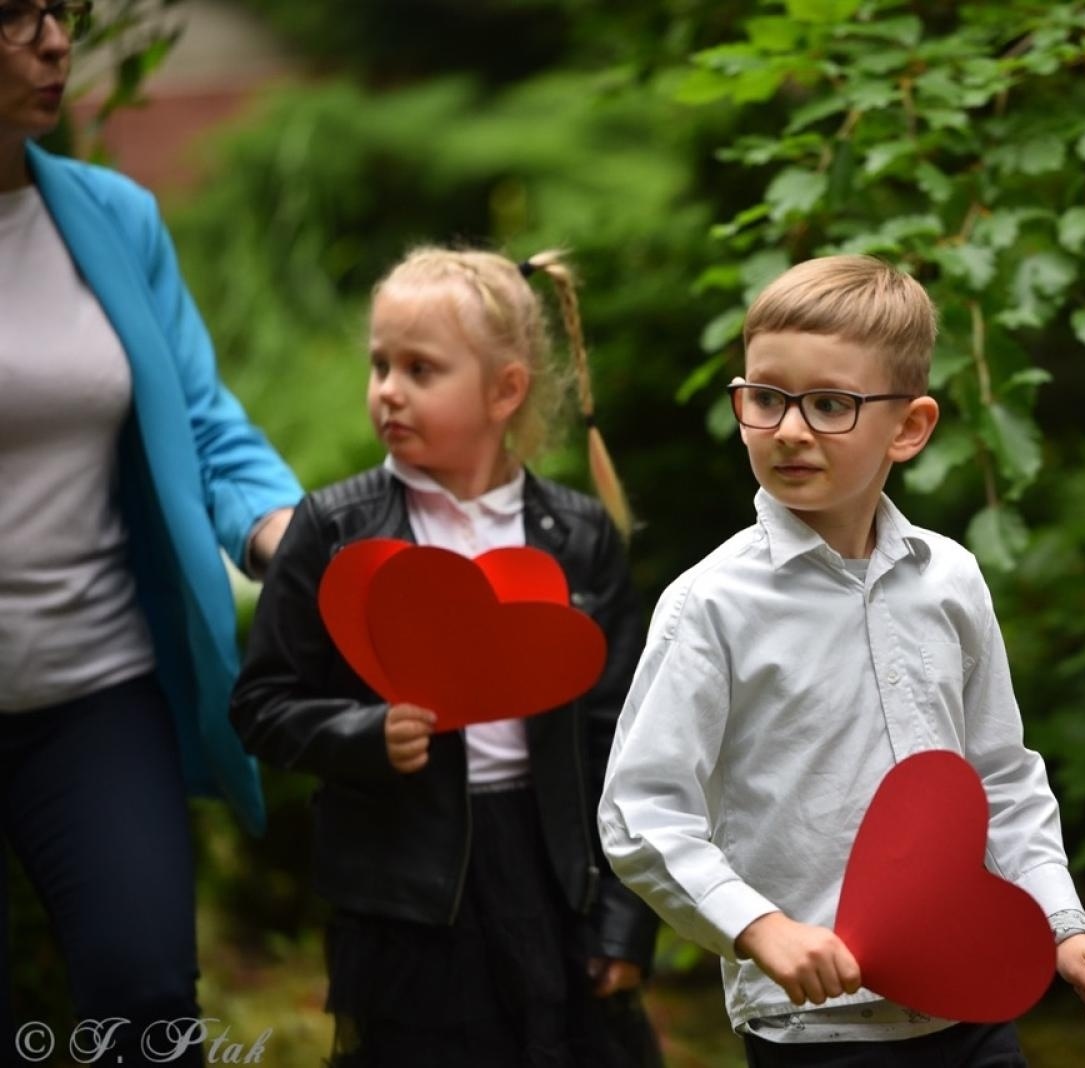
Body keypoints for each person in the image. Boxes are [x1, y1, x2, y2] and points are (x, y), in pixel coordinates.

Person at [598, 254, 1085, 1067]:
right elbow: (641, 812)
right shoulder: (711, 606)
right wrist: (759, 928)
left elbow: (1001, 777)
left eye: (830, 404)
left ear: (909, 428)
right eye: (764, 399)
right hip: (818, 1026)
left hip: (970, 1000)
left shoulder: (950, 580)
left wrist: (1059, 921)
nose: (789, 430)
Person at [229, 248, 661, 1068]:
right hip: (407, 894)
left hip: (553, 877)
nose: (388, 389)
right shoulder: (336, 528)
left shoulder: (574, 538)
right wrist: (363, 733)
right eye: (380, 364)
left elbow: (623, 738)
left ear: (505, 391)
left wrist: (623, 918)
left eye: (420, 369)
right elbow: (263, 703)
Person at [1, 2, 301, 1061]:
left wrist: (280, 534)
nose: (50, 42)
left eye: (58, 13)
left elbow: (203, 418)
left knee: (145, 1004)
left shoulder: (113, 217)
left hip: (93, 689)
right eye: (10, 15)